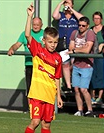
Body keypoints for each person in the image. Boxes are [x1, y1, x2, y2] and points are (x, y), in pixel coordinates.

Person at [24, 3, 63, 133]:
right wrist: (29, 16)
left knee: (46, 125)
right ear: (44, 41)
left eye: (55, 42)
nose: (53, 45)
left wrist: (59, 97)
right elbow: (28, 35)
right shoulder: (38, 51)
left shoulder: (58, 58)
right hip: (36, 94)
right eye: (50, 42)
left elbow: (57, 77)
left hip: (50, 94)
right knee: (35, 122)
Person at [7, 17, 43, 112]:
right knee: (30, 88)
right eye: (34, 24)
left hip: (41, 66)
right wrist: (12, 48)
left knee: (40, 88)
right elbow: (17, 44)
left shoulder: (45, 34)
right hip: (29, 64)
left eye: (37, 25)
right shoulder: (25, 34)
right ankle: (31, 109)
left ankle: (41, 108)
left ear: (41, 25)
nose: (35, 27)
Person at [52, 0, 83, 92]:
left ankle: (75, 84)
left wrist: (72, 10)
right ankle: (68, 86)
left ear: (72, 4)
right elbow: (54, 15)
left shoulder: (75, 15)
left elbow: (83, 18)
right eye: (66, 3)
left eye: (68, 2)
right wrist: (61, 3)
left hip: (75, 44)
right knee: (65, 65)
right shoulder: (61, 15)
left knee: (74, 65)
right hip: (63, 44)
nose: (67, 4)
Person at [68, 16, 95, 116]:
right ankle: (80, 110)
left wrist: (76, 49)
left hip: (86, 65)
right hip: (76, 64)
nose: (81, 27)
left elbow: (87, 50)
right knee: (76, 89)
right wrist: (80, 48)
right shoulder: (74, 33)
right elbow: (70, 47)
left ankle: (90, 110)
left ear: (87, 26)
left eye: (83, 26)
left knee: (84, 89)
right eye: (79, 25)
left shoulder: (90, 33)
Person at [90, 11, 104, 104]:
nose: (96, 20)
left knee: (101, 75)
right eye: (95, 18)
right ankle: (92, 96)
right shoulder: (90, 30)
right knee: (91, 76)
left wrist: (102, 44)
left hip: (101, 57)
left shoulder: (103, 30)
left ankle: (100, 97)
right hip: (91, 56)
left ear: (101, 19)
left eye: (98, 18)